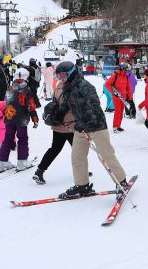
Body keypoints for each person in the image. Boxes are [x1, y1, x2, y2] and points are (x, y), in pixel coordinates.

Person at [54, 61, 129, 199]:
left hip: (96, 125)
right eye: (58, 77)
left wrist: (86, 120)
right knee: (77, 157)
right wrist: (58, 114)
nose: (61, 79)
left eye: (63, 76)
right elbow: (67, 104)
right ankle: (82, 185)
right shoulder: (67, 87)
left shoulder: (85, 86)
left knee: (106, 156)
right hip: (81, 127)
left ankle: (121, 182)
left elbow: (94, 105)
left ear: (71, 73)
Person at [33, 76, 76, 184]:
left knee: (54, 149)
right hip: (69, 125)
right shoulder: (70, 90)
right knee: (78, 151)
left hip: (57, 125)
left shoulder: (57, 88)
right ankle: (80, 172)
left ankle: (40, 171)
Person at [0, 68, 39, 172]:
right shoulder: (27, 89)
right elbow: (31, 105)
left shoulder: (10, 88)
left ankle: (2, 162)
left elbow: (7, 102)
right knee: (22, 139)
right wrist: (34, 118)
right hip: (21, 119)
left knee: (7, 140)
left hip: (9, 118)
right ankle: (22, 161)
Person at [105, 62, 133, 133]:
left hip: (123, 97)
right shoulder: (115, 75)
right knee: (118, 112)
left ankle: (118, 126)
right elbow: (107, 84)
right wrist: (113, 92)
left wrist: (130, 97)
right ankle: (115, 127)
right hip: (116, 97)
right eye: (126, 69)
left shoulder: (126, 76)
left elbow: (128, 88)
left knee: (121, 112)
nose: (127, 71)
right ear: (123, 68)